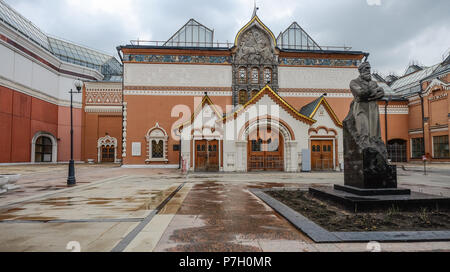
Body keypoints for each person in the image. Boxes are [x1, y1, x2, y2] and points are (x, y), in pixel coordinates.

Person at [349, 62, 385, 146]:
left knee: (374, 134)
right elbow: (360, 93)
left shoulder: (373, 83)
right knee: (363, 130)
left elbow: (382, 93)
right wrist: (374, 91)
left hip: (373, 110)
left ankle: (374, 150)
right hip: (361, 109)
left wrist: (369, 96)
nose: (369, 70)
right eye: (366, 68)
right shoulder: (354, 82)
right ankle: (364, 151)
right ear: (361, 71)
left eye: (369, 68)